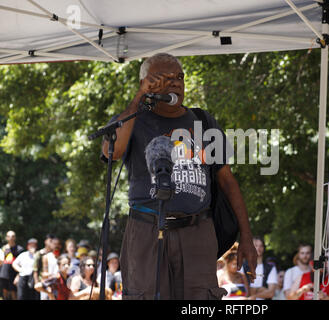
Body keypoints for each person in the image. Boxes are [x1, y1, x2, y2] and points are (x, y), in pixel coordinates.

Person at [100, 52, 257, 300]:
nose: (175, 83)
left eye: (180, 77)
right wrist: (139, 98)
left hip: (197, 231)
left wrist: (246, 237)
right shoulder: (133, 119)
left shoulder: (203, 121)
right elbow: (112, 152)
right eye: (165, 78)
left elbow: (227, 181)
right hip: (146, 229)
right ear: (147, 83)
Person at [0, 230, 24, 300]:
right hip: (3, 274)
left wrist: (18, 276)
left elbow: (22, 264)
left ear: (15, 238)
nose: (11, 238)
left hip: (14, 274)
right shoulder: (3, 249)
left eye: (12, 236)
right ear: (6, 238)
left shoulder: (20, 249)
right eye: (9, 236)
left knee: (14, 293)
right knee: (5, 292)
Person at [32, 233, 55, 300]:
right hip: (43, 282)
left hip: (53, 282)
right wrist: (37, 283)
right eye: (50, 241)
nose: (51, 243)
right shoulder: (40, 253)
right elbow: (35, 270)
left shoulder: (55, 254)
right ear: (45, 241)